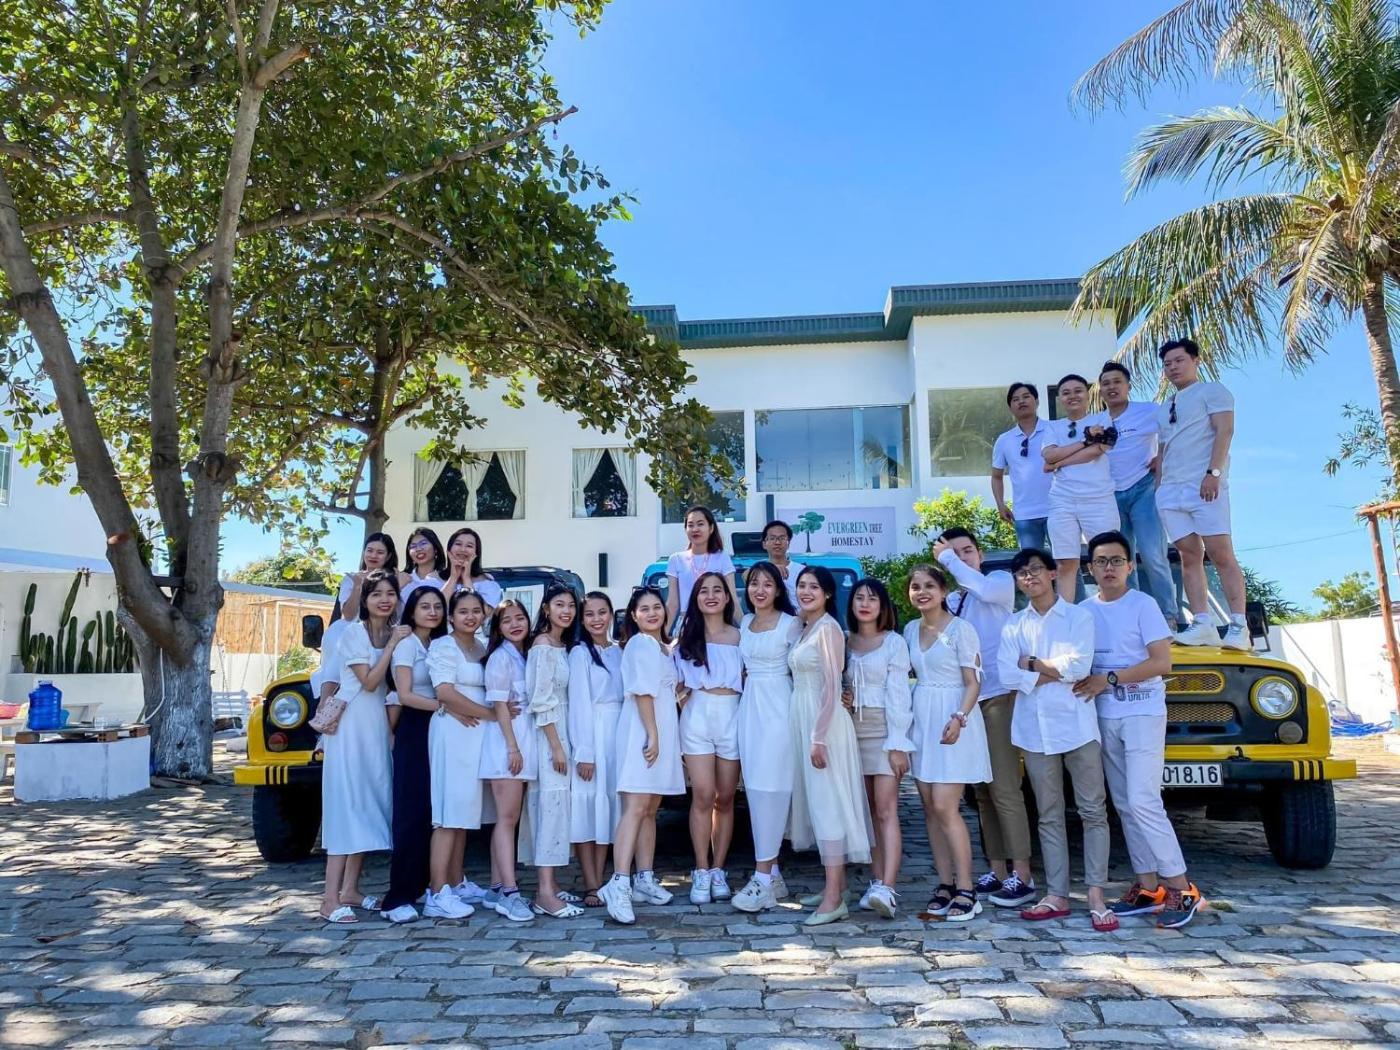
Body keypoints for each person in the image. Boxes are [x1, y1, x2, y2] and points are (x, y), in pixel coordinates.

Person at [1078, 530, 1205, 929]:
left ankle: (1182, 887)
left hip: (1143, 711)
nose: (1109, 568)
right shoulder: (1084, 611)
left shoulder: (1143, 604)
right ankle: (1148, 886)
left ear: (1130, 566)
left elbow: (1161, 662)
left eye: (1117, 560)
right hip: (1104, 714)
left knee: (1144, 799)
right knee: (1124, 803)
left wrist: (1109, 679)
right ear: (1090, 569)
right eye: (1101, 561)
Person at [997, 549, 1114, 931]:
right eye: (1021, 573)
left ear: (1051, 573)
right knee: (1048, 814)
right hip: (1034, 731)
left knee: (1092, 811)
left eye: (1035, 569)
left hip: (1077, 725)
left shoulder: (1079, 617)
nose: (1028, 577)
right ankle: (1057, 894)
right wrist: (1053, 672)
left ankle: (1096, 894)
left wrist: (1031, 664)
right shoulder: (1014, 625)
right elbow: (1006, 675)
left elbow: (1079, 667)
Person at [933, 528, 1035, 909]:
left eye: (967, 551)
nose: (961, 558)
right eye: (954, 553)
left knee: (1005, 787)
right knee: (982, 791)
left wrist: (947, 558)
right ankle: (997, 869)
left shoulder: (998, 582)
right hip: (968, 702)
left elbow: (980, 586)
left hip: (999, 697)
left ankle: (1023, 873)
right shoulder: (954, 600)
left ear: (980, 554)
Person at [318, 570, 406, 924]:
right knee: (347, 806)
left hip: (376, 728)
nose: (384, 600)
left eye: (390, 593)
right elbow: (368, 682)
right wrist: (392, 646)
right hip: (351, 725)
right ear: (365, 599)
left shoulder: (392, 631)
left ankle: (351, 889)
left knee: (369, 803)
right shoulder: (354, 633)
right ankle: (329, 898)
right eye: (376, 594)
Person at [904, 563, 991, 922]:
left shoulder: (961, 629)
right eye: (915, 586)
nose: (922, 592)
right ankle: (944, 884)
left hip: (953, 718)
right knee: (929, 807)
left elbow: (973, 682)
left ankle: (967, 888)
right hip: (922, 718)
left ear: (943, 591)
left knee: (945, 805)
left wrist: (959, 717)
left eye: (929, 586)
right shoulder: (910, 629)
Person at [789, 565, 872, 927]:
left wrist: (818, 736)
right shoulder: (805, 627)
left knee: (829, 806)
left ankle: (835, 898)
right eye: (801, 585)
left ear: (826, 594)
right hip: (803, 716)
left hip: (823, 722)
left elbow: (831, 685)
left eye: (814, 587)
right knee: (819, 803)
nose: (806, 591)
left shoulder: (829, 629)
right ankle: (834, 886)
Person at [1156, 338, 1249, 650]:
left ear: (1195, 361)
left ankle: (1239, 625)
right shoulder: (1165, 406)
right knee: (1188, 555)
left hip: (1204, 485)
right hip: (1171, 491)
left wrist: (1213, 473)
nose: (1173, 367)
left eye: (1179, 360)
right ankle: (1202, 623)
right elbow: (1163, 448)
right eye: (1168, 363)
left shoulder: (1213, 391)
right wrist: (1159, 488)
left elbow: (1225, 431)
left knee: (1220, 553)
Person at [600, 587, 683, 924]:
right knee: (635, 808)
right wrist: (652, 733)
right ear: (633, 616)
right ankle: (618, 882)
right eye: (644, 609)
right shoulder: (641, 643)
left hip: (660, 730)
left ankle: (644, 878)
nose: (652, 613)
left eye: (656, 607)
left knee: (650, 809)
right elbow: (642, 693)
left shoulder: (662, 648)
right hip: (642, 731)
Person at [730, 562, 799, 913]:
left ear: (778, 589)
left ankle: (762, 876)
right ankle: (772, 874)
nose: (760, 590)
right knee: (755, 790)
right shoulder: (744, 623)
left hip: (779, 708)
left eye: (767, 584)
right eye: (754, 583)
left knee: (774, 788)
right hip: (750, 708)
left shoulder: (791, 624)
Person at [844, 578, 913, 919]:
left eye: (872, 598)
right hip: (850, 733)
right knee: (867, 811)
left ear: (883, 606)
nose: (865, 604)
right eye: (859, 598)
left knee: (886, 809)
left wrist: (898, 743)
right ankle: (875, 880)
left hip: (884, 731)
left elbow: (899, 694)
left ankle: (888, 886)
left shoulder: (894, 643)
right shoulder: (843, 640)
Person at [381, 587, 450, 924]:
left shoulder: (438, 644)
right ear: (412, 610)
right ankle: (397, 897)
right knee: (410, 811)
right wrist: (445, 706)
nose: (432, 612)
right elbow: (405, 694)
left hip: (438, 726)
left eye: (438, 606)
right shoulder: (407, 644)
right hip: (415, 724)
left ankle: (421, 884)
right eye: (425, 606)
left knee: (430, 810)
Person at [675, 572, 743, 905]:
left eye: (718, 590)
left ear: (728, 597)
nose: (712, 596)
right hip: (698, 716)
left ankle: (719, 868)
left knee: (725, 797)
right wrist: (682, 699)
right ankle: (701, 869)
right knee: (702, 794)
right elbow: (672, 681)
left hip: (732, 715)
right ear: (696, 598)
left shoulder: (740, 636)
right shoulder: (686, 637)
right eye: (705, 591)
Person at [426, 590, 494, 918]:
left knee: (465, 812)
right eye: (463, 611)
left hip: (477, 735)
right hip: (453, 733)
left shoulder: (484, 645)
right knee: (449, 813)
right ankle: (437, 891)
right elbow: (444, 691)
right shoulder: (444, 646)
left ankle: (456, 881)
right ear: (451, 616)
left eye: (476, 611)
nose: (470, 616)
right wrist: (490, 714)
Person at [1098, 361, 1178, 629]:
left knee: (1153, 554)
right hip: (1110, 495)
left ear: (1128, 386)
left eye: (1117, 382)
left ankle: (1168, 617)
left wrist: (1162, 458)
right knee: (1121, 559)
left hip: (1143, 489)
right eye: (1106, 383)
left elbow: (1176, 431)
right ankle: (1129, 618)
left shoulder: (1149, 411)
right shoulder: (1097, 421)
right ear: (1100, 390)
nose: (1112, 387)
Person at [527, 584, 583, 919]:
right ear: (546, 608)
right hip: (549, 733)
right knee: (550, 806)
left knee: (560, 808)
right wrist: (556, 746)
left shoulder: (563, 645)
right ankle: (544, 892)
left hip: (565, 729)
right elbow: (540, 699)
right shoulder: (542, 646)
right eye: (559, 605)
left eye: (571, 605)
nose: (566, 611)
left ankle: (552, 883)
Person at [479, 599, 537, 923]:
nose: (515, 624)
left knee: (508, 819)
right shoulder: (500, 658)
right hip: (507, 745)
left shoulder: (527, 655)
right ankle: (511, 893)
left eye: (520, 618)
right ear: (498, 628)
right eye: (507, 620)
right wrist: (513, 748)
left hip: (524, 739)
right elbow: (500, 707)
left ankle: (496, 887)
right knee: (507, 818)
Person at [1041, 373, 1121, 602]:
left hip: (1099, 500)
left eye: (1078, 391)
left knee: (1107, 558)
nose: (1072, 396)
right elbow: (1049, 454)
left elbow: (1097, 451)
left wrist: (1059, 463)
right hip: (1062, 501)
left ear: (1088, 394)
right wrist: (1084, 442)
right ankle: (1066, 614)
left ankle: (1111, 609)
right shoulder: (1053, 427)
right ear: (1060, 398)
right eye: (1066, 393)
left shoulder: (1103, 419)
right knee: (1065, 562)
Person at [568, 592, 625, 908]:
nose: (597, 619)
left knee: (608, 812)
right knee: (588, 810)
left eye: (602, 612)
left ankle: (603, 880)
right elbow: (579, 704)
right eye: (589, 614)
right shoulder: (580, 654)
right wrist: (584, 751)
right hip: (593, 732)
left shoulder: (618, 651)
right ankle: (591, 883)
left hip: (618, 736)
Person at [991, 382, 1054, 550]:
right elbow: (996, 476)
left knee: (1065, 561)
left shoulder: (1054, 429)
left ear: (1037, 401)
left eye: (1026, 397)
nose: (1021, 401)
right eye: (1015, 399)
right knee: (1030, 563)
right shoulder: (1004, 440)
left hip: (1058, 509)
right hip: (1024, 515)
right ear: (1010, 407)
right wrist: (1000, 504)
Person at [665, 506, 739, 635]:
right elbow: (672, 604)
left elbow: (732, 599)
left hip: (717, 626)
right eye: (690, 525)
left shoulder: (722, 558)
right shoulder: (676, 559)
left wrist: (746, 631)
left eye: (700, 524)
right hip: (687, 626)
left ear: (711, 528)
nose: (695, 529)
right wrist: (662, 636)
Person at [339, 532, 401, 623]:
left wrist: (398, 587)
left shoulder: (397, 580)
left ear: (388, 556)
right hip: (351, 630)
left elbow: (397, 617)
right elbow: (348, 616)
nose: (373, 556)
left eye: (380, 552)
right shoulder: (352, 578)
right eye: (369, 550)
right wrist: (357, 587)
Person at [442, 527, 504, 612]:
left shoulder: (489, 585)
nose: (463, 549)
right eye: (458, 544)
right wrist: (453, 578)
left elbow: (484, 613)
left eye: (469, 546)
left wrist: (466, 578)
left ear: (476, 553)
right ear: (449, 550)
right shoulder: (434, 580)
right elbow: (436, 609)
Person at [759, 519, 804, 608]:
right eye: (772, 538)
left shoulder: (802, 570)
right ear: (764, 544)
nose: (777, 542)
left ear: (788, 543)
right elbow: (746, 575)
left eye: (782, 538)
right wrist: (771, 569)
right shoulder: (759, 569)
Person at [401, 527, 449, 605]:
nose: (418, 549)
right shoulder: (404, 581)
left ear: (435, 548)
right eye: (413, 546)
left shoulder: (446, 580)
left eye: (423, 543)